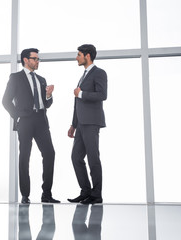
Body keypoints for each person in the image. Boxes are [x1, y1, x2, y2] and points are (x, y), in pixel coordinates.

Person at [2, 48, 60, 204]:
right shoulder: (16, 78)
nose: (37, 61)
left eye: (38, 59)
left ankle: (46, 194)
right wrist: (18, 116)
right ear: (26, 60)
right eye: (35, 59)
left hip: (41, 120)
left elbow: (47, 103)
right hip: (25, 121)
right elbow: (6, 101)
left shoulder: (41, 79)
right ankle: (25, 195)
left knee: (50, 154)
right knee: (24, 157)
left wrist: (48, 95)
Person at [67, 44, 107, 205]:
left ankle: (96, 195)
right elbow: (78, 103)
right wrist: (73, 124)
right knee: (76, 157)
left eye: (79, 55)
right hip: (81, 124)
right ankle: (86, 191)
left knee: (93, 158)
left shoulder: (99, 73)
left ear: (87, 56)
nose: (77, 58)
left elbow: (102, 94)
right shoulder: (83, 75)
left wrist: (81, 93)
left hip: (91, 122)